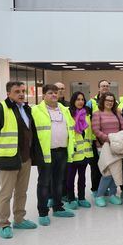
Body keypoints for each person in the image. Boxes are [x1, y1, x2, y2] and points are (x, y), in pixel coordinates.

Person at [0, 81, 41, 238]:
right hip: (8, 159)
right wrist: (1, 152)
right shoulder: (0, 109)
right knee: (6, 193)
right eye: (17, 91)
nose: (21, 94)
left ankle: (19, 218)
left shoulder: (26, 108)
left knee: (22, 191)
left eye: (23, 91)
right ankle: (4, 223)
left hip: (25, 158)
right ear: (8, 93)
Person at [32, 84, 76, 226]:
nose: (54, 95)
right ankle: (43, 212)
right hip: (46, 152)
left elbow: (71, 129)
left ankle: (58, 207)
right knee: (44, 183)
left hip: (62, 151)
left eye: (56, 93)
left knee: (59, 182)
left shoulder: (64, 110)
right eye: (50, 93)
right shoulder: (36, 110)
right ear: (43, 95)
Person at [91, 92, 123, 207]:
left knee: (115, 171)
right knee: (107, 173)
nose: (110, 102)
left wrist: (120, 139)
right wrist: (109, 139)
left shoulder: (117, 113)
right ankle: (99, 195)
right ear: (103, 101)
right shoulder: (97, 114)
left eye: (112, 101)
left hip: (117, 146)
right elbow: (96, 130)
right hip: (104, 146)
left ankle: (113, 194)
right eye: (107, 100)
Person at [65, 91, 93, 210]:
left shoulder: (87, 114)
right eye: (78, 99)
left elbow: (89, 133)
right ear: (73, 101)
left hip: (84, 152)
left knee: (82, 177)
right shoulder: (68, 113)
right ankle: (71, 199)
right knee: (70, 177)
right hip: (73, 152)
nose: (80, 102)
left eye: (82, 99)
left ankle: (81, 198)